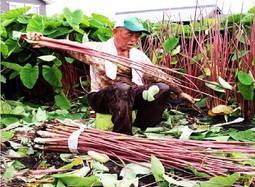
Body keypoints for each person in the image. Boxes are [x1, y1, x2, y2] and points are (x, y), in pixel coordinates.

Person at [25, 15, 195, 135]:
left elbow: (158, 75)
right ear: (115, 32)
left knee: (162, 88)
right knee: (122, 88)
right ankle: (123, 135)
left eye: (137, 37)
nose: (134, 40)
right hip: (101, 98)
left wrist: (179, 92)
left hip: (129, 97)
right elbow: (70, 46)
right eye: (130, 34)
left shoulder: (138, 56)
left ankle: (143, 127)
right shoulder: (98, 50)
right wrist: (41, 40)